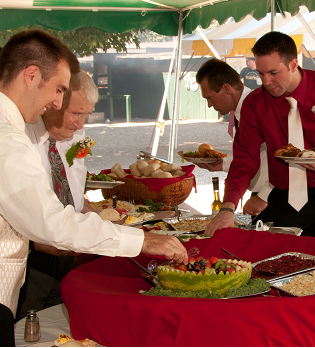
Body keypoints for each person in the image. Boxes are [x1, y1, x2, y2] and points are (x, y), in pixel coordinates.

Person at [0, 29, 187, 346]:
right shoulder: (9, 139)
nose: (57, 102)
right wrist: (143, 240)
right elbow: (52, 223)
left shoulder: (26, 134)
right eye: (58, 90)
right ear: (31, 75)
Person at [205, 31, 315, 237]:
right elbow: (244, 160)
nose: (266, 81)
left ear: (293, 64)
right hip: (285, 199)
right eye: (261, 74)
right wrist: (228, 207)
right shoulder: (255, 104)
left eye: (274, 73)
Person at [15, 70, 99, 320]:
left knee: (60, 323)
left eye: (86, 114)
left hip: (65, 252)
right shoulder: (19, 137)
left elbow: (71, 187)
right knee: (25, 324)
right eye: (75, 113)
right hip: (29, 258)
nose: (80, 124)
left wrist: (98, 218)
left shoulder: (72, 135)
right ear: (51, 104)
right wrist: (34, 240)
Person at [195, 58, 272, 216]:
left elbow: (283, 158)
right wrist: (222, 165)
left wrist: (265, 195)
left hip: (275, 197)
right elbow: (252, 158)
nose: (210, 105)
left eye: (209, 97)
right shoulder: (241, 112)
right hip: (263, 196)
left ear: (226, 89)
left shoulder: (259, 108)